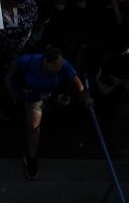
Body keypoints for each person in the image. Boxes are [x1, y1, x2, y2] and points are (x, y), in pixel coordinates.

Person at [7, 47, 91, 179]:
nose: (59, 69)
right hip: (22, 91)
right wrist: (18, 86)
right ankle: (10, 106)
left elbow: (75, 79)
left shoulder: (62, 65)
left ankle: (31, 157)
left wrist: (85, 97)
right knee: (13, 99)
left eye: (59, 66)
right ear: (45, 62)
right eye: (55, 66)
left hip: (37, 98)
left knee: (34, 128)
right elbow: (13, 69)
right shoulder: (28, 61)